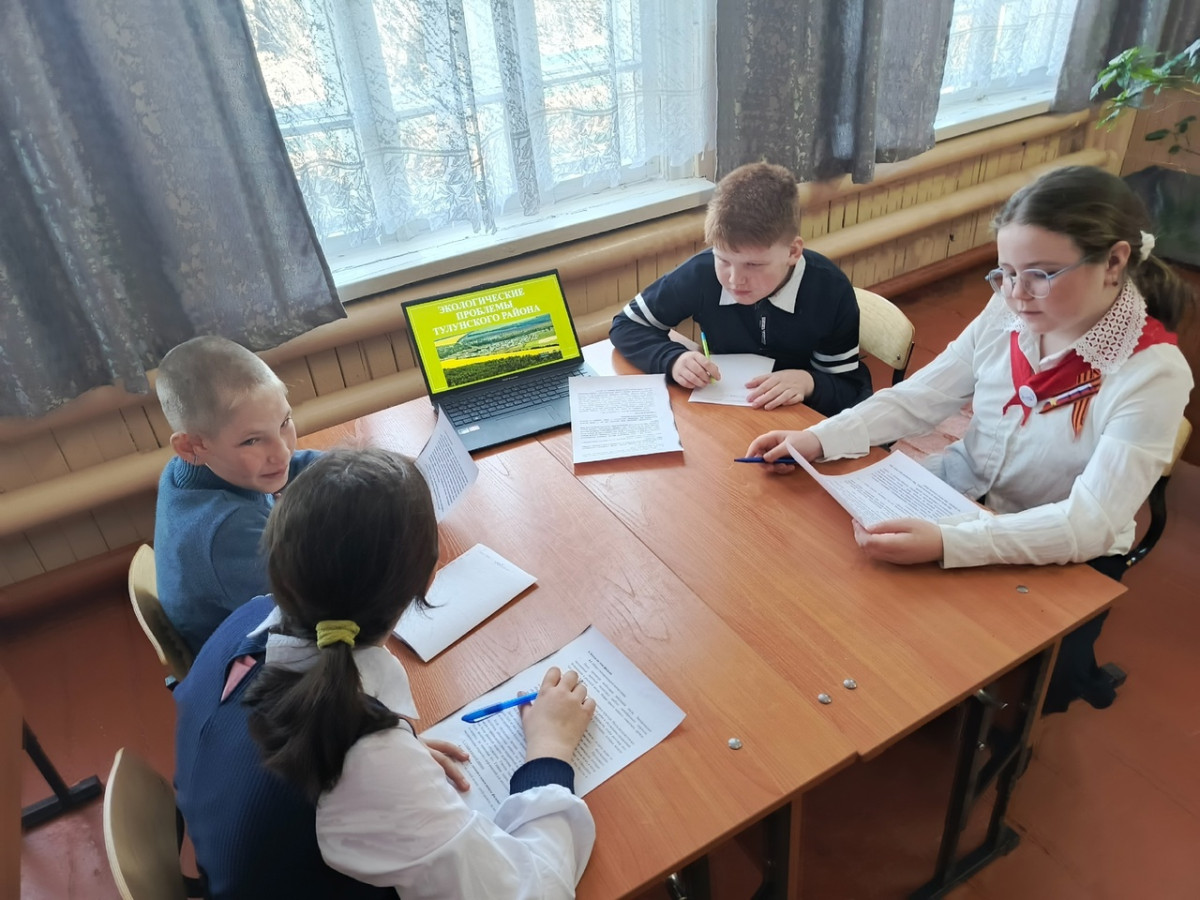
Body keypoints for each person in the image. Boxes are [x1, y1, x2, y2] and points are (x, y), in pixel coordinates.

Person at [747, 165, 1194, 711]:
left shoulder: (1152, 374)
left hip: (1061, 547)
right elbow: (921, 396)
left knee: (1001, 677)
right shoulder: (1008, 308)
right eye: (1005, 273)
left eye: (1040, 274)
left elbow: (1088, 523)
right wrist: (818, 438)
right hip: (958, 493)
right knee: (839, 589)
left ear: (1115, 263)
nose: (1017, 295)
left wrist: (948, 543)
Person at [173, 448, 597, 899]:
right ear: (429, 579)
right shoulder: (359, 762)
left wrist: (390, 759)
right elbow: (533, 892)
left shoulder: (245, 621)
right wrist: (549, 750)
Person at [609, 161, 872, 415]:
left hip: (799, 420)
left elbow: (850, 392)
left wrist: (809, 382)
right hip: (727, 412)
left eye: (753, 265)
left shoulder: (829, 291)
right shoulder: (702, 273)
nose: (735, 279)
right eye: (723, 260)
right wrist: (673, 359)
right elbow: (626, 325)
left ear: (792, 251)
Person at [154, 336, 320, 655]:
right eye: (252, 441)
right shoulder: (228, 531)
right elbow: (320, 605)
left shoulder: (191, 468)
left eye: (285, 422)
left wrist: (361, 468)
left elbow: (294, 465)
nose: (282, 452)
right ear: (191, 446)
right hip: (255, 660)